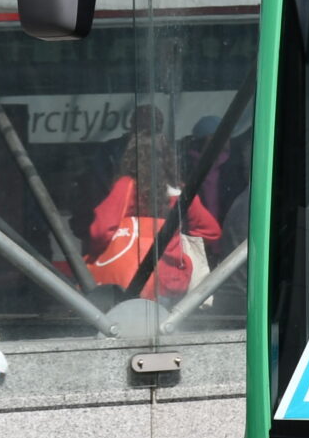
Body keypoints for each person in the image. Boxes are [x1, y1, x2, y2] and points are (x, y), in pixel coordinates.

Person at [87, 108, 221, 301]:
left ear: (131, 157)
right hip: (172, 282)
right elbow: (211, 231)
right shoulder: (178, 191)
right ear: (168, 158)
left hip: (134, 281)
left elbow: (99, 231)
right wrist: (175, 239)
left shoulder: (127, 187)